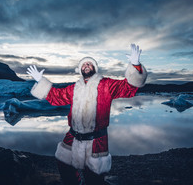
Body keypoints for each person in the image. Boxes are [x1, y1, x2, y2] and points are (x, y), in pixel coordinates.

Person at [27, 44, 147, 184]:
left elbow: (128, 88)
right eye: (84, 64)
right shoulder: (74, 88)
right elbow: (57, 97)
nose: (86, 65)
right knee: (63, 163)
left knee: (94, 176)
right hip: (73, 135)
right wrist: (41, 81)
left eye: (90, 63)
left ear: (95, 68)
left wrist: (135, 65)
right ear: (80, 69)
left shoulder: (106, 84)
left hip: (97, 140)